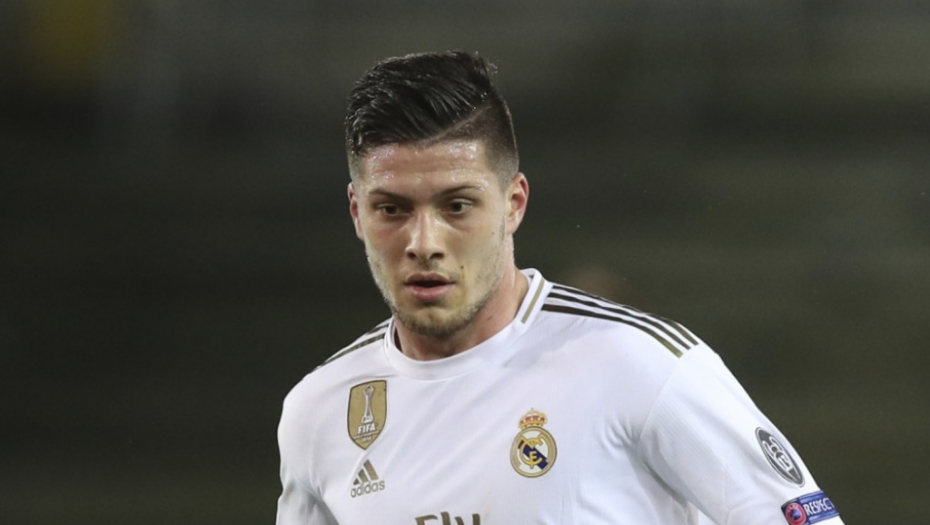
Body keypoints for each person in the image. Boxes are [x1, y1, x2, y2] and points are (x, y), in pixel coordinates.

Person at [276, 51, 844, 525]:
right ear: (357, 212)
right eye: (392, 209)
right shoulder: (318, 411)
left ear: (513, 204)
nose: (424, 242)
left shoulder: (639, 364)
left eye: (458, 206)